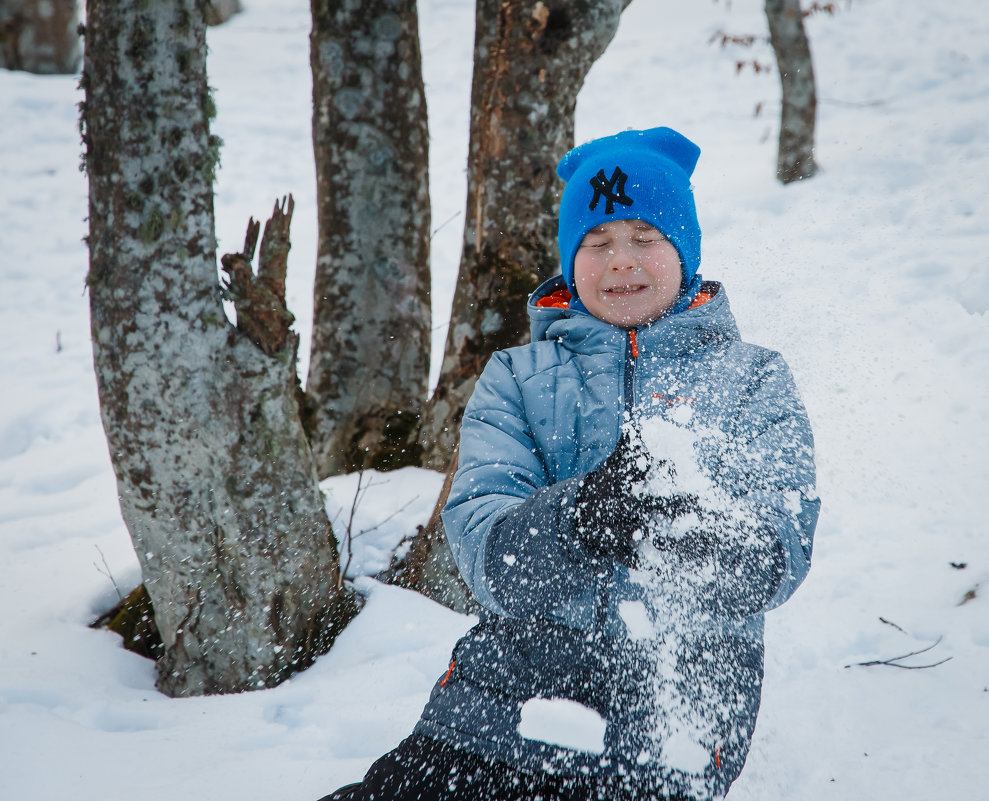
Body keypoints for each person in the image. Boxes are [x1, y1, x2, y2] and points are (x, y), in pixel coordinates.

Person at [319, 126, 820, 801]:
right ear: (567, 258)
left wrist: (688, 536)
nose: (620, 262)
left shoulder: (751, 377)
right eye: (596, 242)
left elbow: (779, 548)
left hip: (675, 703)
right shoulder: (516, 377)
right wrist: (579, 518)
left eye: (644, 238)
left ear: (684, 251)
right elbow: (483, 548)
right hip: (508, 689)